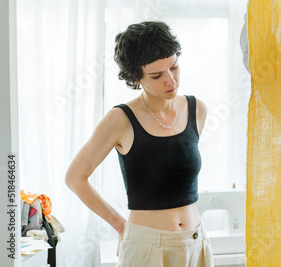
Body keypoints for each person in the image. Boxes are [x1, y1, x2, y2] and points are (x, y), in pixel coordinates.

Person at [65, 21, 214, 266]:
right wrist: (120, 225)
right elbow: (75, 177)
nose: (171, 81)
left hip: (196, 243)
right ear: (135, 77)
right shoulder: (120, 119)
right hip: (147, 248)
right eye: (156, 75)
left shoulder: (196, 109)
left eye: (174, 67)